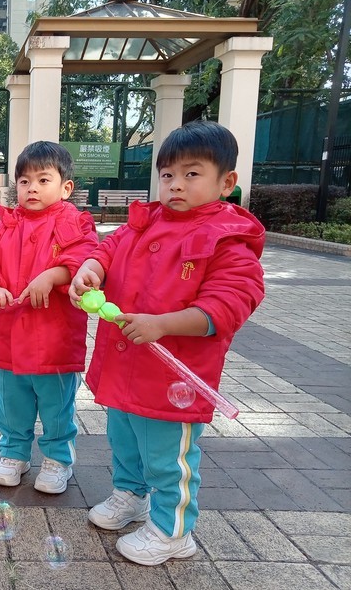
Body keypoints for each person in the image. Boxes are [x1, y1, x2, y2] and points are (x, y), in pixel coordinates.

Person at [69, 121, 265, 565]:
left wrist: (162, 324)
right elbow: (106, 251)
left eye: (192, 174)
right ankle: (130, 496)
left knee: (168, 457)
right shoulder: (142, 223)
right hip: (123, 368)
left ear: (226, 182)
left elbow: (228, 306)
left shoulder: (228, 239)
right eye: (168, 174)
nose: (176, 184)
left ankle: (173, 531)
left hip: (172, 376)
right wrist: (90, 271)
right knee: (125, 441)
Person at [0, 141, 99, 494]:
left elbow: (87, 256)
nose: (32, 189)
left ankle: (57, 459)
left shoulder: (74, 222)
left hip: (55, 341)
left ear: (65, 187)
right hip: (9, 339)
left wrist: (54, 275)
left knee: (57, 408)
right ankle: (14, 453)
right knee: (12, 405)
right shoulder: (5, 225)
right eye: (24, 181)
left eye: (43, 180)